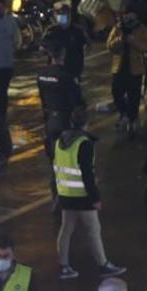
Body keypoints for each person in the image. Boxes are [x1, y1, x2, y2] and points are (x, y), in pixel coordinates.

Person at [52, 107, 124, 280]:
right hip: (82, 195)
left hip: (65, 193)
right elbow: (86, 173)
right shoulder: (84, 143)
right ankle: (103, 264)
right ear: (86, 124)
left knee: (66, 229)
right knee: (93, 229)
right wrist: (95, 197)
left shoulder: (60, 141)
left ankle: (64, 266)